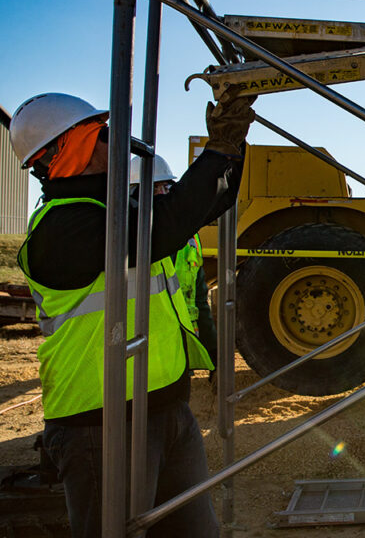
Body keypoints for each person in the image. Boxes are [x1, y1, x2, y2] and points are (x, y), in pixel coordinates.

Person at [12, 87, 256, 538]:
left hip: (166, 406)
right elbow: (162, 228)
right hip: (101, 424)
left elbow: (208, 205)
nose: (113, 140)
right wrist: (218, 148)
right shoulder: (62, 226)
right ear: (64, 149)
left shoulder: (113, 209)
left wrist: (232, 146)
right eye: (100, 133)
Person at [130, 154, 216, 364]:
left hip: (178, 349)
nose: (162, 194)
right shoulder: (125, 239)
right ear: (134, 193)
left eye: (166, 187)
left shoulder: (189, 239)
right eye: (154, 188)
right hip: (140, 351)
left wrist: (214, 352)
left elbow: (199, 300)